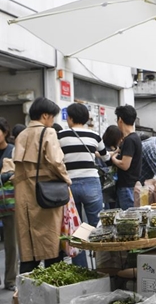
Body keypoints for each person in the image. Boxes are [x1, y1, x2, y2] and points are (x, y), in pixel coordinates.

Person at [13, 97, 71, 273]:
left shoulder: (22, 134)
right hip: (46, 192)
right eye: (52, 117)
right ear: (45, 115)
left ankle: (24, 292)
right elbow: (56, 161)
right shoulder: (48, 133)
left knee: (29, 246)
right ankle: (52, 291)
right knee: (51, 244)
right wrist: (67, 179)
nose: (52, 121)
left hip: (24, 194)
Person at [58, 103, 109, 267]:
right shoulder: (95, 136)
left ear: (70, 118)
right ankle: (103, 265)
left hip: (69, 184)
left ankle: (81, 268)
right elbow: (106, 158)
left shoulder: (60, 136)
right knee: (98, 227)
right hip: (91, 183)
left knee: (75, 228)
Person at [110, 105, 142, 210]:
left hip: (127, 187)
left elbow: (124, 165)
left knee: (128, 219)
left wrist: (113, 159)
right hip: (130, 185)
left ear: (120, 120)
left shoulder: (130, 140)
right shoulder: (134, 138)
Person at [0, 118, 17, 290]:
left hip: (9, 202)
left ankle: (10, 280)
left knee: (11, 243)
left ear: (5, 132)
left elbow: (18, 174)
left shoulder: (12, 151)